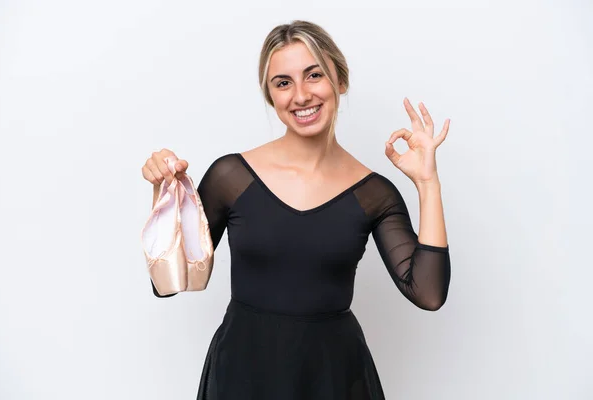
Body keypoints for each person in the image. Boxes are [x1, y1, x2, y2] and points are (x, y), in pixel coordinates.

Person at [141, 20, 451, 400]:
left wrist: (427, 183)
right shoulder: (232, 176)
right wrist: (167, 194)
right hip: (242, 374)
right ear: (271, 97)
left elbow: (429, 293)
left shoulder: (374, 194)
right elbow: (168, 284)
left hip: (334, 378)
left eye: (314, 75)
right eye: (283, 83)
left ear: (340, 80)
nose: (301, 95)